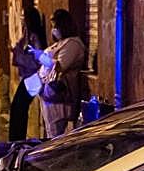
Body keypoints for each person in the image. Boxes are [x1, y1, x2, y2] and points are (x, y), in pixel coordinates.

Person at [37, 9, 87, 138]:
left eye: (55, 26)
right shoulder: (59, 43)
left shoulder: (73, 44)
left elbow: (60, 65)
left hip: (60, 96)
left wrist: (43, 58)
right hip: (48, 94)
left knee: (55, 136)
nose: (53, 30)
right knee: (49, 133)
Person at [8, 7, 46, 141]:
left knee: (18, 107)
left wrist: (18, 55)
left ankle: (16, 141)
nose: (22, 19)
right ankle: (17, 139)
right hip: (28, 77)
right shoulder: (26, 34)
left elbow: (36, 60)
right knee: (18, 108)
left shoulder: (34, 36)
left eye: (24, 16)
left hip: (34, 78)